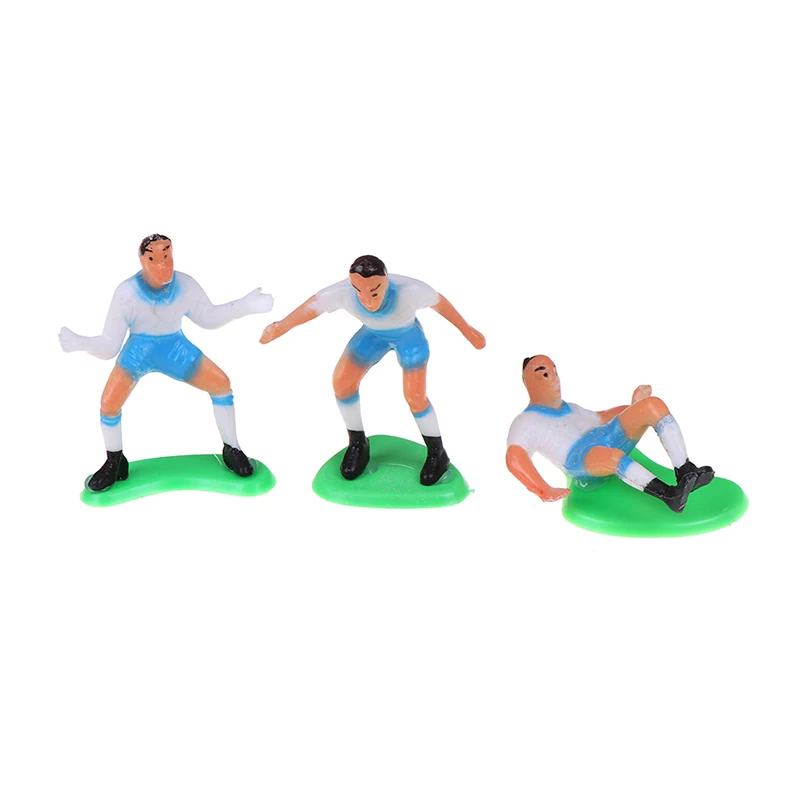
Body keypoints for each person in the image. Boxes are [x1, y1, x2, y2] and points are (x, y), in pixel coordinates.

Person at [59, 233, 273, 491]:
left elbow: (209, 317)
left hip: (175, 348)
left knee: (221, 384)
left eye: (167, 255)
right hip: (138, 352)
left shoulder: (185, 285)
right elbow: (109, 346)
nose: (163, 265)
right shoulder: (127, 293)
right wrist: (80, 342)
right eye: (153, 259)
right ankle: (114, 461)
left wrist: (245, 306)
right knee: (109, 403)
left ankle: (232, 448)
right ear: (142, 261)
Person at [260, 255, 485, 485]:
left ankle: (437, 452)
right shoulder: (343, 292)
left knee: (415, 396)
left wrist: (468, 331)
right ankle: (358, 443)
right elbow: (313, 306)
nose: (367, 301)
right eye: (359, 291)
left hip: (409, 338)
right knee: (342, 383)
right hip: (373, 335)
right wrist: (280, 327)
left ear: (386, 282)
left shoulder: (410, 291)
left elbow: (441, 304)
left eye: (375, 293)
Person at [505, 355, 714, 512]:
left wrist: (635, 407)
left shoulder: (572, 408)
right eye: (544, 374)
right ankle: (670, 495)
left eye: (554, 372)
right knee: (610, 456)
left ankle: (685, 470)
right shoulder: (526, 421)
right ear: (529, 382)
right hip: (580, 459)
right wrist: (542, 489)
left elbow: (602, 417)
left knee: (653, 405)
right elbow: (515, 458)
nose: (554, 379)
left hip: (603, 435)